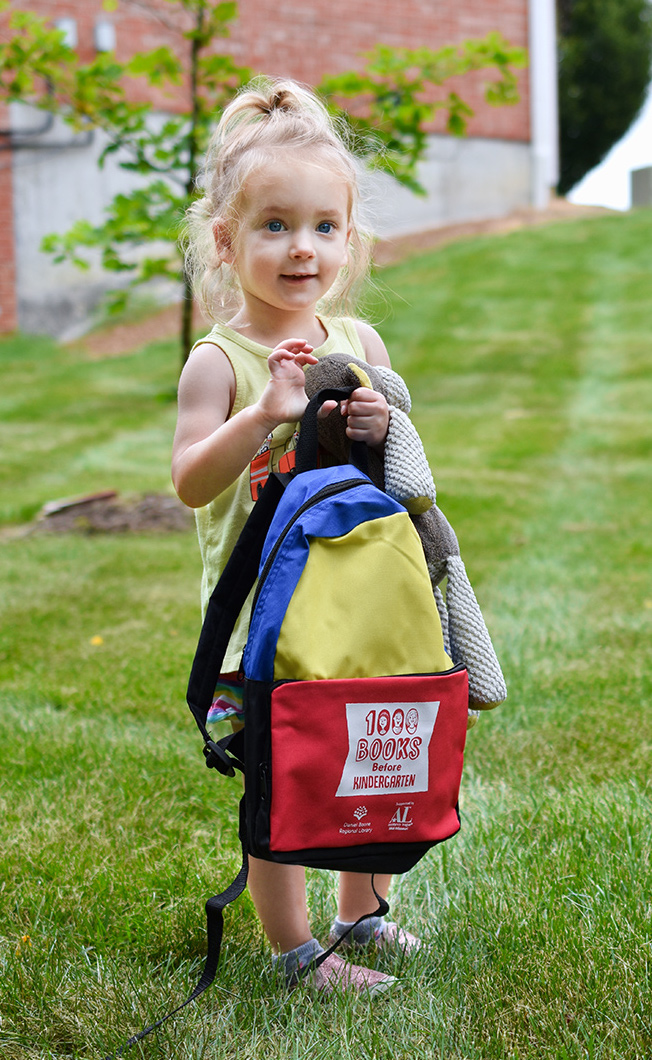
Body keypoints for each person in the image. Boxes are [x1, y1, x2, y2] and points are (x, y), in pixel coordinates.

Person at [172, 78, 420, 996]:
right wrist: (262, 415)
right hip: (262, 619)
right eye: (274, 226)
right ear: (228, 242)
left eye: (324, 227)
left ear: (349, 241)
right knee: (281, 773)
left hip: (358, 601)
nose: (302, 248)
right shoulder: (219, 359)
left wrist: (373, 426)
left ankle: (363, 911)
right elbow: (192, 480)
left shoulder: (362, 343)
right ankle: (294, 949)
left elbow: (394, 467)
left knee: (367, 753)